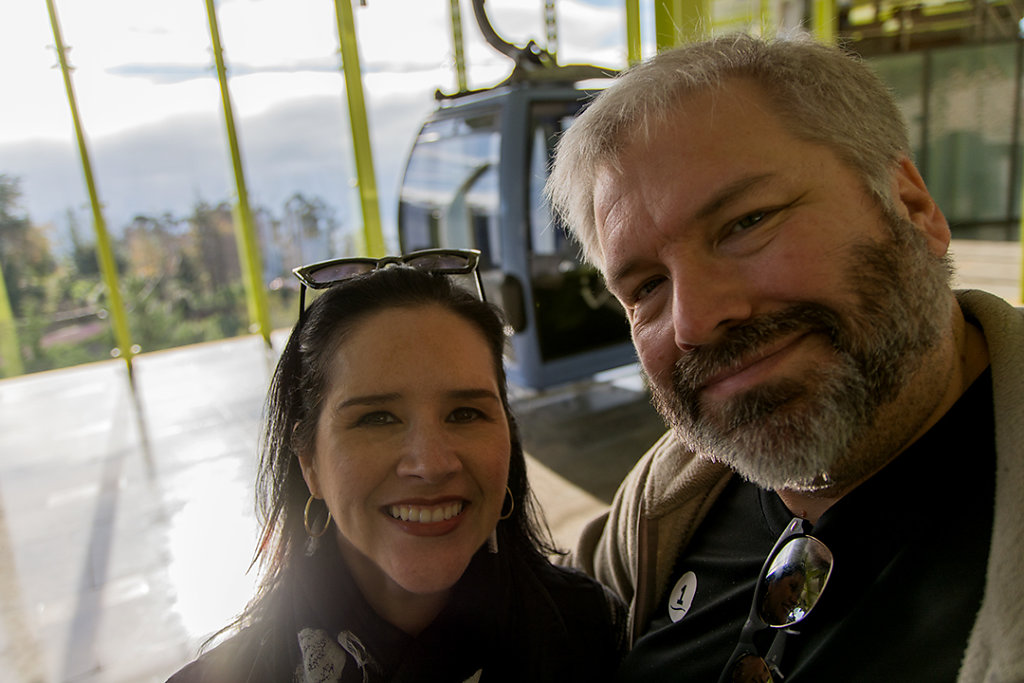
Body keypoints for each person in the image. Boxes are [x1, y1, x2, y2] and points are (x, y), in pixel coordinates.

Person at [545, 34, 1023, 682]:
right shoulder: (671, 497)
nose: (695, 320)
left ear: (910, 206)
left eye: (746, 222)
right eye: (647, 287)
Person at [168, 251, 626, 682]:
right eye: (376, 418)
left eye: (466, 413)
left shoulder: (598, 635)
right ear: (308, 460)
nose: (431, 464)